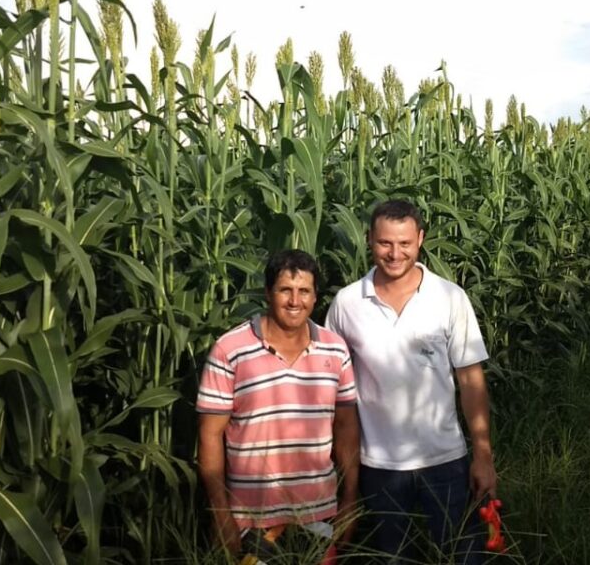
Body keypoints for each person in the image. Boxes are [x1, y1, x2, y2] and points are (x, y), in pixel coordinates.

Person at [326, 199, 495, 564]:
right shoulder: (346, 304)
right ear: (369, 239)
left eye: (404, 243)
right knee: (392, 558)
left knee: (462, 554)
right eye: (385, 243)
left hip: (445, 460)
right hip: (378, 465)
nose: (394, 253)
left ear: (420, 239)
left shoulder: (449, 298)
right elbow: (332, 388)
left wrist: (482, 453)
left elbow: (471, 380)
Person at [197, 249, 361, 560]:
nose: (295, 301)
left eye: (304, 291)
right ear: (268, 293)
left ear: (315, 297)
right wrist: (220, 514)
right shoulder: (230, 349)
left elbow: (346, 427)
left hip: (319, 516)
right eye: (285, 290)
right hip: (250, 521)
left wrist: (350, 500)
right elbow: (209, 436)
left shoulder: (335, 349)